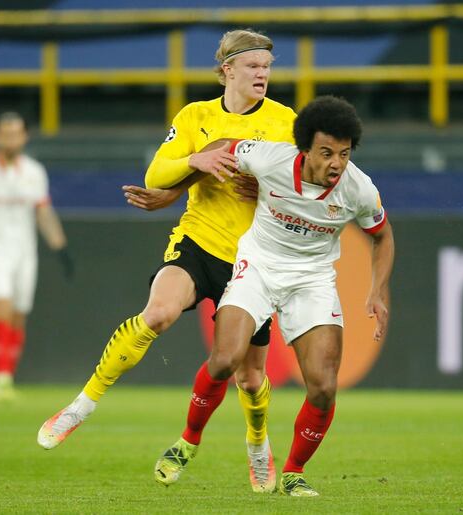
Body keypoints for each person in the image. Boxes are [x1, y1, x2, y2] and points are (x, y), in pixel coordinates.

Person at [37, 29, 298, 494]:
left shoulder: (285, 123)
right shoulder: (196, 116)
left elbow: (302, 192)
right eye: (254, 66)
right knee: (156, 314)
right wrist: (197, 158)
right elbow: (156, 173)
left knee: (251, 375)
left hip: (253, 260)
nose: (263, 74)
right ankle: (80, 405)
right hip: (198, 242)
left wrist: (267, 189)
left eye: (268, 66)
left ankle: (258, 446)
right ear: (227, 71)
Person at [154, 95, 394, 496]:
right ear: (304, 149)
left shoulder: (359, 189)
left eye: (344, 153)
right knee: (226, 360)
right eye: (326, 152)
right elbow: (218, 148)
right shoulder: (270, 159)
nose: (336, 163)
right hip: (259, 268)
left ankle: (294, 471)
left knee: (322, 386)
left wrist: (377, 290)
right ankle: (188, 441)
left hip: (312, 280)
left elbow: (382, 235)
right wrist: (174, 191)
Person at [0, 111, 72, 400]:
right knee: (2, 306)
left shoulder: (33, 171)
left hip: (24, 250)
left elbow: (43, 211)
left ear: (24, 137)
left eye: (16, 133)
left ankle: (7, 375)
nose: (10, 138)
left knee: (19, 314)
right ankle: (0, 377)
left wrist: (59, 246)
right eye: (5, 133)